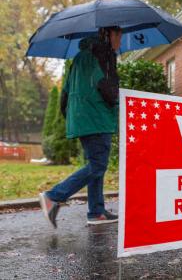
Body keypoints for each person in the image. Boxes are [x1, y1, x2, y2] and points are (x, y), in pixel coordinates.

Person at [39, 26, 122, 228]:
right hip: (97, 118)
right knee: (98, 165)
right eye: (119, 35)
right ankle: (53, 196)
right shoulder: (104, 54)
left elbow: (65, 94)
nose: (120, 40)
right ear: (108, 35)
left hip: (82, 119)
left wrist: (74, 118)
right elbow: (109, 93)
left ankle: (96, 211)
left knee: (95, 165)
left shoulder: (79, 58)